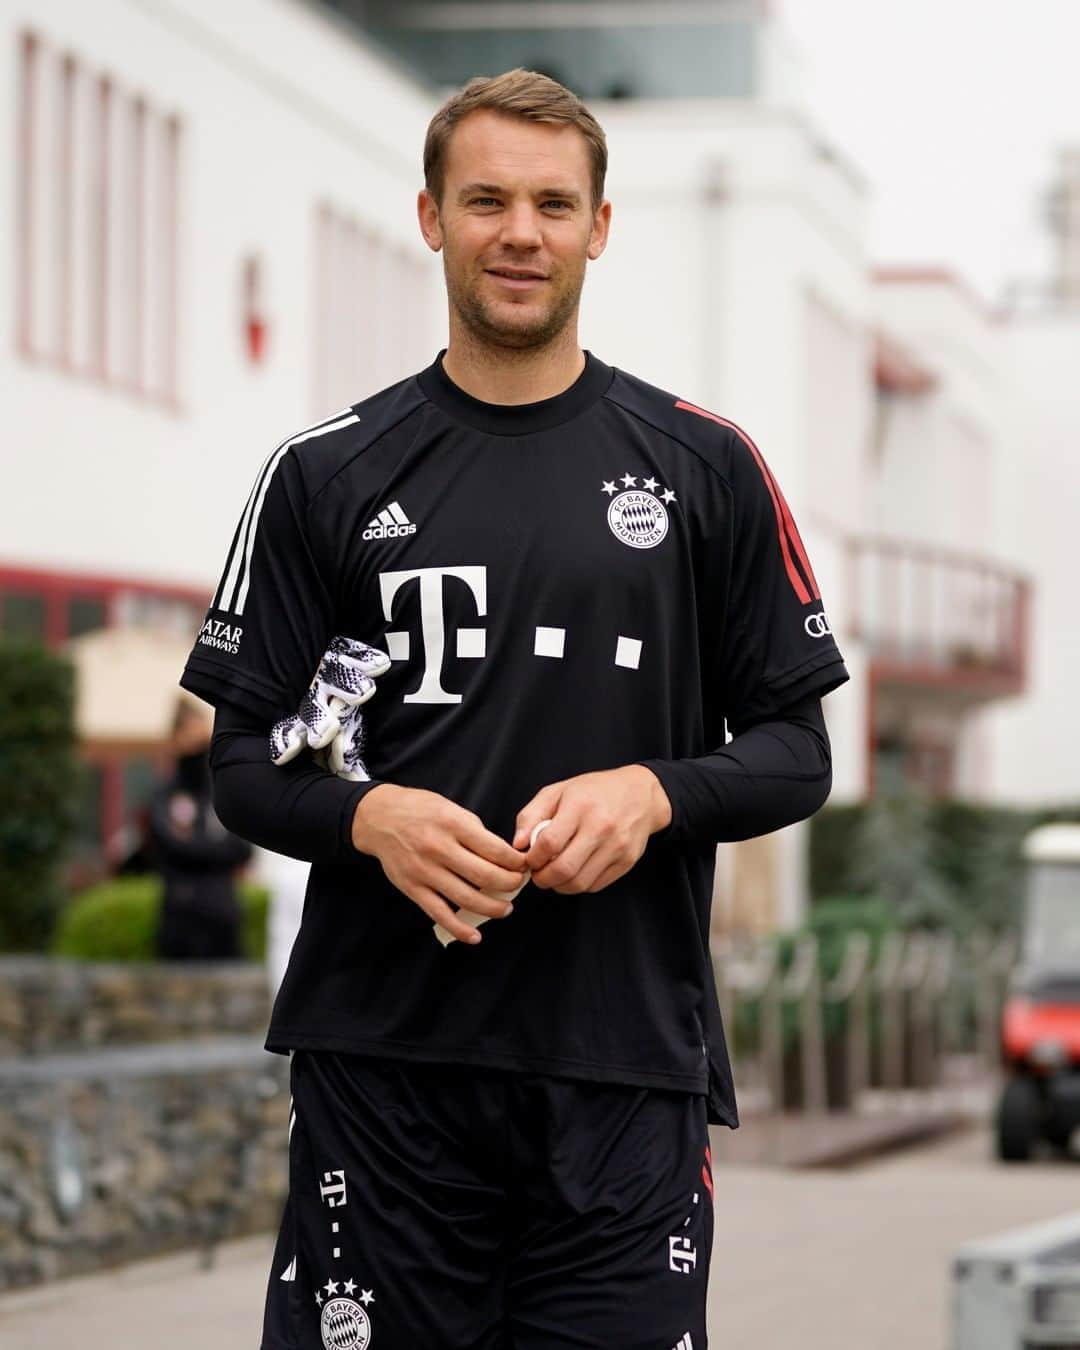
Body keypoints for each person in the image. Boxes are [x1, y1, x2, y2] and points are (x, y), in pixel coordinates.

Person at [180, 69, 849, 1350]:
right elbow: (243, 763)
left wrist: (654, 791)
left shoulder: (705, 466)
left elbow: (794, 756)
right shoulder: (323, 473)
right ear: (430, 218)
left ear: (600, 227)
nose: (521, 232)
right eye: (486, 199)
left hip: (623, 1074)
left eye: (553, 203)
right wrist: (369, 819)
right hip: (382, 1076)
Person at [151, 696, 251, 960]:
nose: (201, 751)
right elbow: (172, 847)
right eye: (194, 742)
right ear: (176, 740)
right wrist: (215, 848)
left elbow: (242, 847)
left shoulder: (222, 795)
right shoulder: (166, 797)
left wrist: (197, 844)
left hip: (223, 921)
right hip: (180, 923)